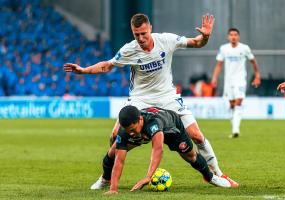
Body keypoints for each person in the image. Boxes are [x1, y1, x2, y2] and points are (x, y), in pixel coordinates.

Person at [64, 13, 238, 189]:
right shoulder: (129, 50)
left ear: (150, 29)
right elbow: (107, 65)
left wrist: (206, 35)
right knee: (115, 136)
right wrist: (84, 70)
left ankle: (217, 173)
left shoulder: (167, 40)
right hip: (140, 99)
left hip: (167, 96)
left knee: (196, 136)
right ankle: (106, 178)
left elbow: (197, 42)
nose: (140, 38)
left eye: (143, 33)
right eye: (136, 34)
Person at [105, 106, 234, 195]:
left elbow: (158, 150)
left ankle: (210, 177)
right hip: (146, 132)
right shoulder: (126, 131)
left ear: (140, 119)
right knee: (114, 151)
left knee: (190, 156)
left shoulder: (153, 123)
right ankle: (105, 180)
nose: (131, 134)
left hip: (172, 128)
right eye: (128, 131)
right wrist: (113, 189)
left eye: (133, 130)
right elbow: (119, 160)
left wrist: (148, 177)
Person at [211, 28, 261, 138]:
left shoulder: (244, 48)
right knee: (232, 104)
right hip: (228, 81)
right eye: (231, 35)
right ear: (228, 37)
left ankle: (235, 130)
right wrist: (214, 78)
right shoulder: (224, 49)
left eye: (235, 35)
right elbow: (219, 64)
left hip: (240, 79)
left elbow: (253, 61)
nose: (233, 37)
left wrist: (257, 75)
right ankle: (234, 128)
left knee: (239, 101)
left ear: (238, 36)